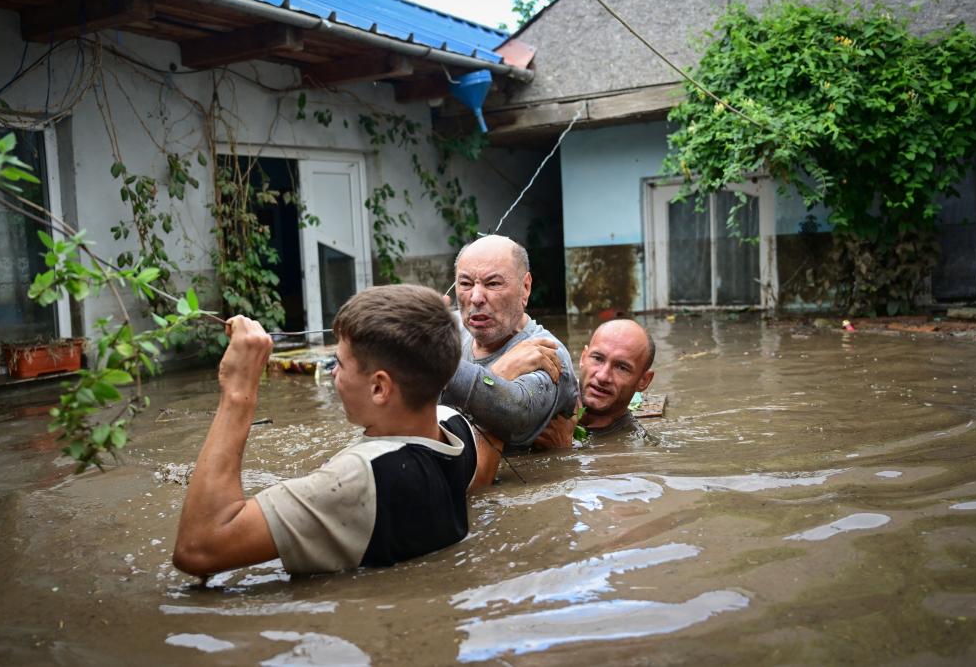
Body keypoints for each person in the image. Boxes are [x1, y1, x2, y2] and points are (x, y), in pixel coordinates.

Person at [172, 284, 500, 578]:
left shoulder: (360, 476)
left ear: (379, 388)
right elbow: (481, 474)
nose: (333, 375)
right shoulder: (456, 428)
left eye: (339, 364)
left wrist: (238, 392)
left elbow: (198, 547)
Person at [440, 235, 580, 451]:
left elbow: (514, 413)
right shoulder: (446, 328)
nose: (476, 297)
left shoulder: (548, 352)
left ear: (525, 287)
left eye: (493, 283)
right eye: (466, 284)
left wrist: (425, 363)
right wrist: (503, 368)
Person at [576, 319, 655, 438]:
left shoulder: (636, 446)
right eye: (597, 358)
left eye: (621, 368)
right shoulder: (548, 397)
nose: (602, 376)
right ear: (583, 358)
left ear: (643, 381)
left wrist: (561, 447)